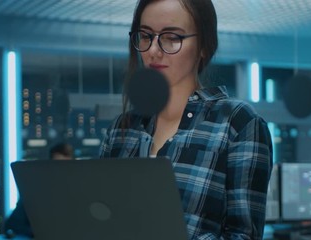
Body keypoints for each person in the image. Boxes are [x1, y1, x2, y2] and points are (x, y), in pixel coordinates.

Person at [98, 0, 273, 239]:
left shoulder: (237, 123)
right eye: (146, 36)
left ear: (203, 46)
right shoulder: (121, 128)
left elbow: (244, 235)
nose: (153, 50)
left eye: (172, 37)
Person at [4, 142, 74, 238]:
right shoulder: (35, 190)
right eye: (58, 164)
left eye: (66, 165)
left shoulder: (78, 192)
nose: (62, 170)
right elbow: (13, 223)